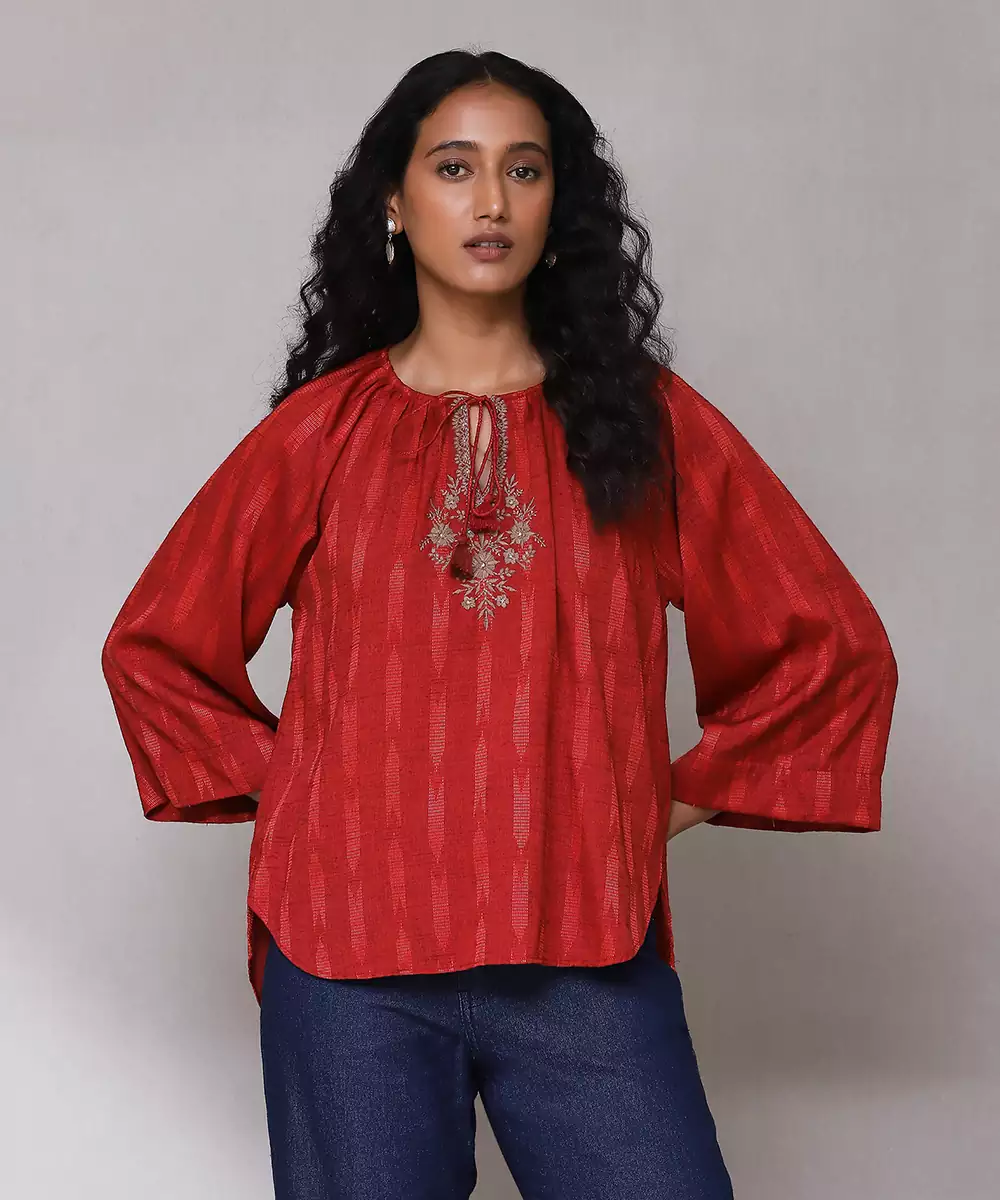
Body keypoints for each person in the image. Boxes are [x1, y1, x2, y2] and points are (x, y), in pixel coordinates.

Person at [100, 48, 898, 1200]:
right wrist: (324, 801)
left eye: (524, 170)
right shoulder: (320, 436)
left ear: (557, 204)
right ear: (393, 199)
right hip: (349, 968)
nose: (490, 201)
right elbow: (156, 645)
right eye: (454, 167)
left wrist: (659, 801)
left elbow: (827, 645)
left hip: (585, 955)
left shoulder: (644, 425)